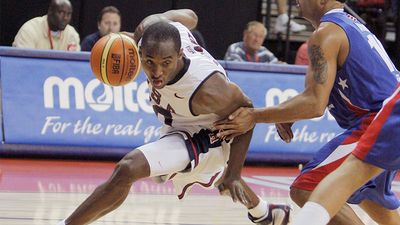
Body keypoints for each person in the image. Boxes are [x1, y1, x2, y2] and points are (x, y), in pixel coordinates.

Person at [56, 9, 290, 225]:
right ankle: (265, 213)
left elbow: (246, 115)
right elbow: (191, 16)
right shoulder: (148, 31)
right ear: (139, 52)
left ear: (179, 55)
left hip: (214, 130)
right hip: (178, 121)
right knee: (191, 172)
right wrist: (123, 41)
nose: (157, 73)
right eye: (149, 62)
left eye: (165, 63)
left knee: (127, 169)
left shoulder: (207, 89)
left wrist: (235, 172)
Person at [214, 0, 400, 224]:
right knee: (370, 195)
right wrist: (290, 114)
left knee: (307, 187)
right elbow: (318, 96)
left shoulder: (326, 33)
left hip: (380, 120)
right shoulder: (349, 25)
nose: (297, 1)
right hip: (388, 117)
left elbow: (314, 104)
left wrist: (254, 116)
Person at [12, 0, 80, 51]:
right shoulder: (29, 30)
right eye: (61, 12)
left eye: (69, 14)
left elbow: (74, 64)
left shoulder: (72, 34)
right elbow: (23, 62)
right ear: (50, 11)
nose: (65, 18)